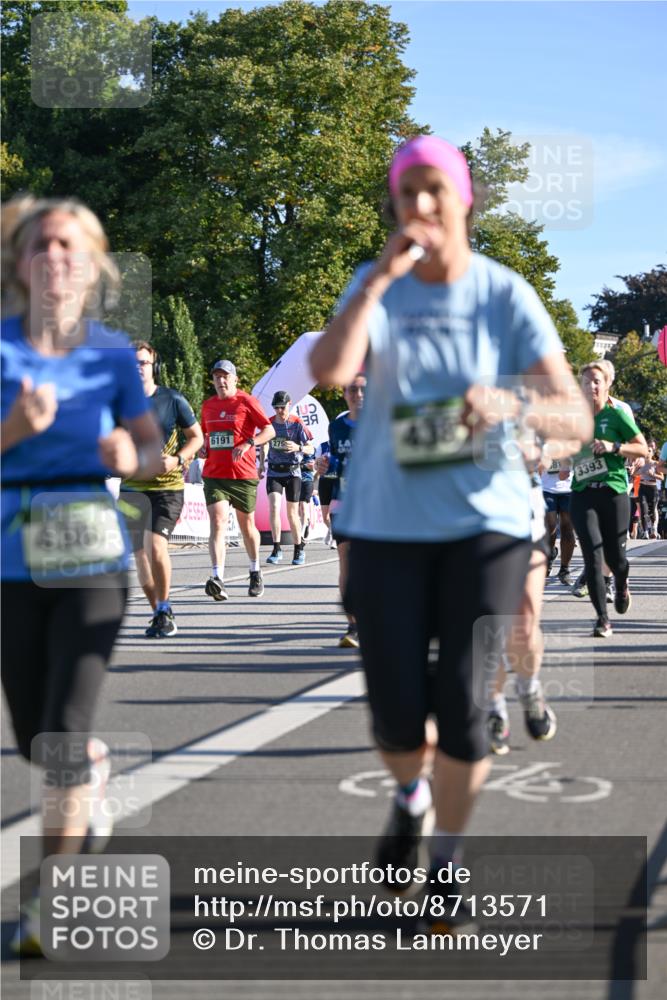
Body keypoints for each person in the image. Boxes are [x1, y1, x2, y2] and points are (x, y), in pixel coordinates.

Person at [309, 135, 590, 933]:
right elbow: (328, 371)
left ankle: (446, 864)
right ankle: (410, 794)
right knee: (395, 715)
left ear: (464, 197)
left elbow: (572, 416)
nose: (422, 205)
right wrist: (376, 281)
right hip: (384, 526)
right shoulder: (374, 285)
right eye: (408, 193)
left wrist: (507, 402)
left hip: (485, 527)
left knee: (465, 710)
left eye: (436, 189)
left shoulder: (504, 294)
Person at [1, 196, 162, 954]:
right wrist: (13, 429)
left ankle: (49, 900)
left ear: (93, 265)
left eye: (71, 246)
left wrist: (131, 456)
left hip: (91, 555)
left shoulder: (111, 355)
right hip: (11, 558)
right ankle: (92, 779)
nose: (56, 257)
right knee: (36, 738)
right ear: (20, 262)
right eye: (42, 244)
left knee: (62, 735)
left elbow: (151, 449)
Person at [119, 341, 203, 637]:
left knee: (155, 546)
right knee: (140, 555)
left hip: (167, 488)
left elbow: (197, 437)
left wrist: (178, 459)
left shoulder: (172, 399)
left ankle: (165, 607)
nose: (137, 368)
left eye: (142, 363)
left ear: (153, 365)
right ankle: (159, 612)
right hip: (131, 488)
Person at [569, 362, 648, 637]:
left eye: (596, 381)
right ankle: (602, 619)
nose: (591, 386)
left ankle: (622, 583)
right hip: (582, 493)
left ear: (606, 385)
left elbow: (642, 449)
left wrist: (614, 447)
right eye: (586, 381)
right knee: (592, 557)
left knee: (617, 559)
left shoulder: (617, 415)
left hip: (613, 491)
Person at [201, 359, 275, 599]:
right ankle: (217, 578)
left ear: (235, 379)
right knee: (218, 521)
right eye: (217, 377)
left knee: (247, 527)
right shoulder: (208, 406)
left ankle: (255, 570)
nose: (221, 381)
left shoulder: (246, 401)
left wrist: (249, 443)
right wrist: (203, 446)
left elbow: (270, 430)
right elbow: (204, 435)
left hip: (242, 475)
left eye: (225, 376)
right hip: (214, 475)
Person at [316, 375, 366, 648]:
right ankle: (353, 625)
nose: (358, 395)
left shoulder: (382, 423)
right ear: (345, 394)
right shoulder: (336, 427)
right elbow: (332, 464)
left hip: (375, 505)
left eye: (363, 389)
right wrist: (324, 467)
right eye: (352, 390)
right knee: (346, 560)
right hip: (343, 504)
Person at [264, 390, 314, 566]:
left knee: (292, 512)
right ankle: (276, 548)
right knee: (274, 507)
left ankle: (298, 548)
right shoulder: (269, 423)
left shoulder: (297, 423)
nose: (279, 411)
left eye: (282, 407)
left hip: (292, 472)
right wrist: (261, 462)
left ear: (289, 404)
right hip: (274, 472)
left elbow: (311, 448)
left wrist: (298, 447)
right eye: (276, 408)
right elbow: (264, 442)